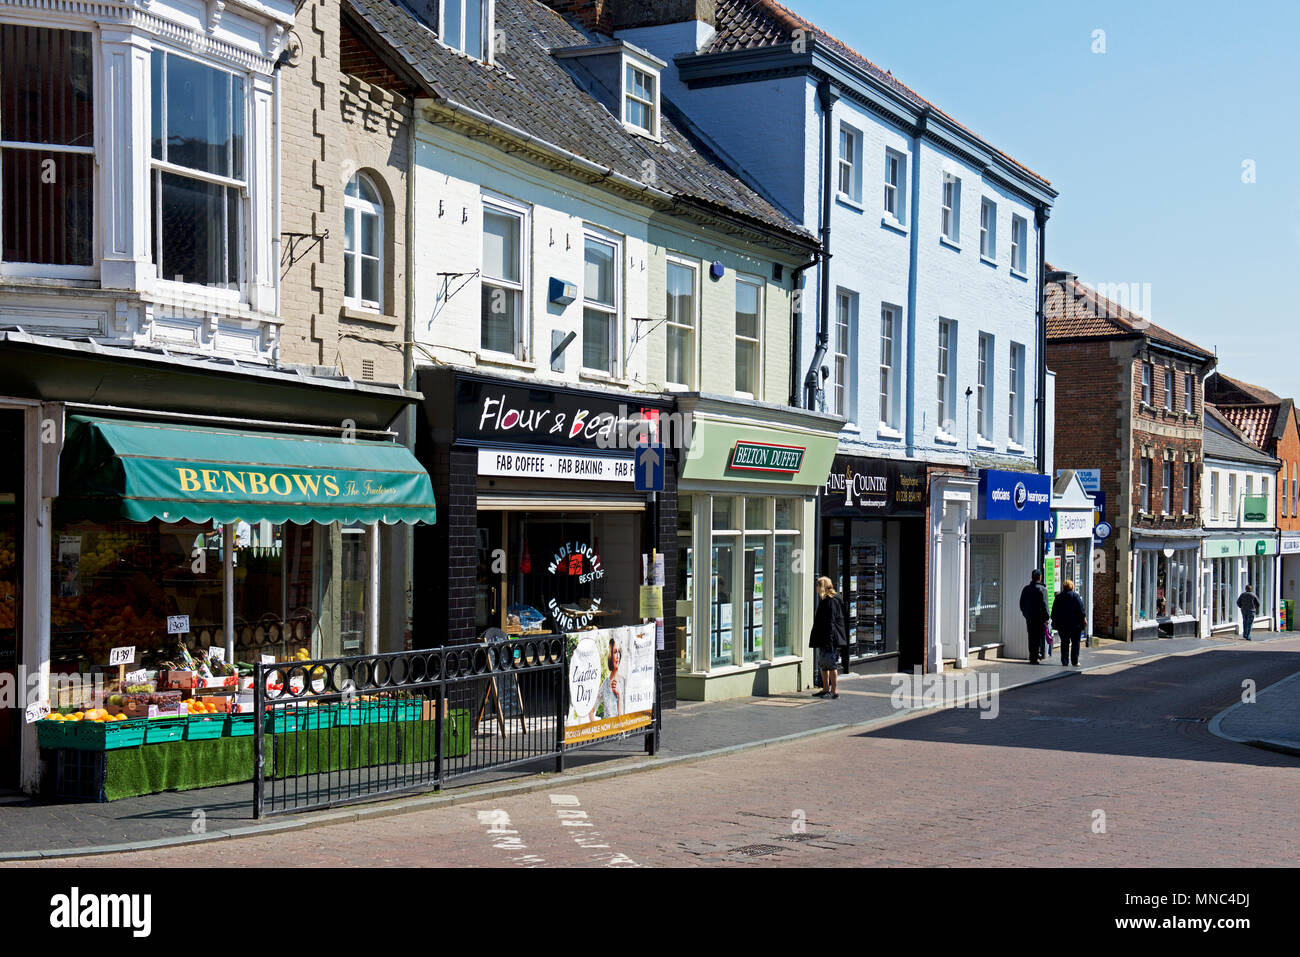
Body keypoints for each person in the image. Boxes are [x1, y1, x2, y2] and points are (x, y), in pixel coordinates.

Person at [809, 576, 847, 698]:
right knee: (823, 663)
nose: (816, 588)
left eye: (817, 585)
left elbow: (831, 621)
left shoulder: (831, 600)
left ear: (822, 586)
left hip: (829, 638)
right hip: (824, 637)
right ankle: (825, 688)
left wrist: (829, 640)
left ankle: (834, 691)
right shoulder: (826, 599)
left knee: (831, 664)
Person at [1051, 579, 1088, 667]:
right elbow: (1081, 609)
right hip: (1075, 625)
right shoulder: (1076, 596)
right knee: (1075, 643)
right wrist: (1084, 619)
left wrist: (1054, 620)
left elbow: (1054, 611)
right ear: (1072, 586)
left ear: (1063, 586)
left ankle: (1064, 661)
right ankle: (1075, 661)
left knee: (1064, 642)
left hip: (1062, 625)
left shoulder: (1058, 597)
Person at [1018, 570, 1050, 664]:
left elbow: (1021, 604)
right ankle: (1037, 655)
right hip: (1040, 618)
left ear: (1032, 577)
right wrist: (1046, 618)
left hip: (1030, 618)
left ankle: (1032, 656)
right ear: (1040, 577)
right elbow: (1045, 605)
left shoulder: (1026, 589)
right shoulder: (1042, 589)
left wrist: (1026, 614)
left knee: (1031, 637)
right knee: (1039, 637)